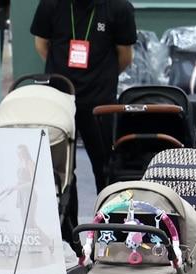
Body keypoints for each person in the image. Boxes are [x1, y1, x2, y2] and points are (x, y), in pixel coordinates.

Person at [30, 0, 136, 188]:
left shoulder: (118, 7)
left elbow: (125, 56)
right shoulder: (50, 4)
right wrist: (62, 73)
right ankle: (67, 217)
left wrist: (102, 77)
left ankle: (105, 215)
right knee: (61, 170)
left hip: (100, 102)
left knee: (105, 166)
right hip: (60, 98)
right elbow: (41, 43)